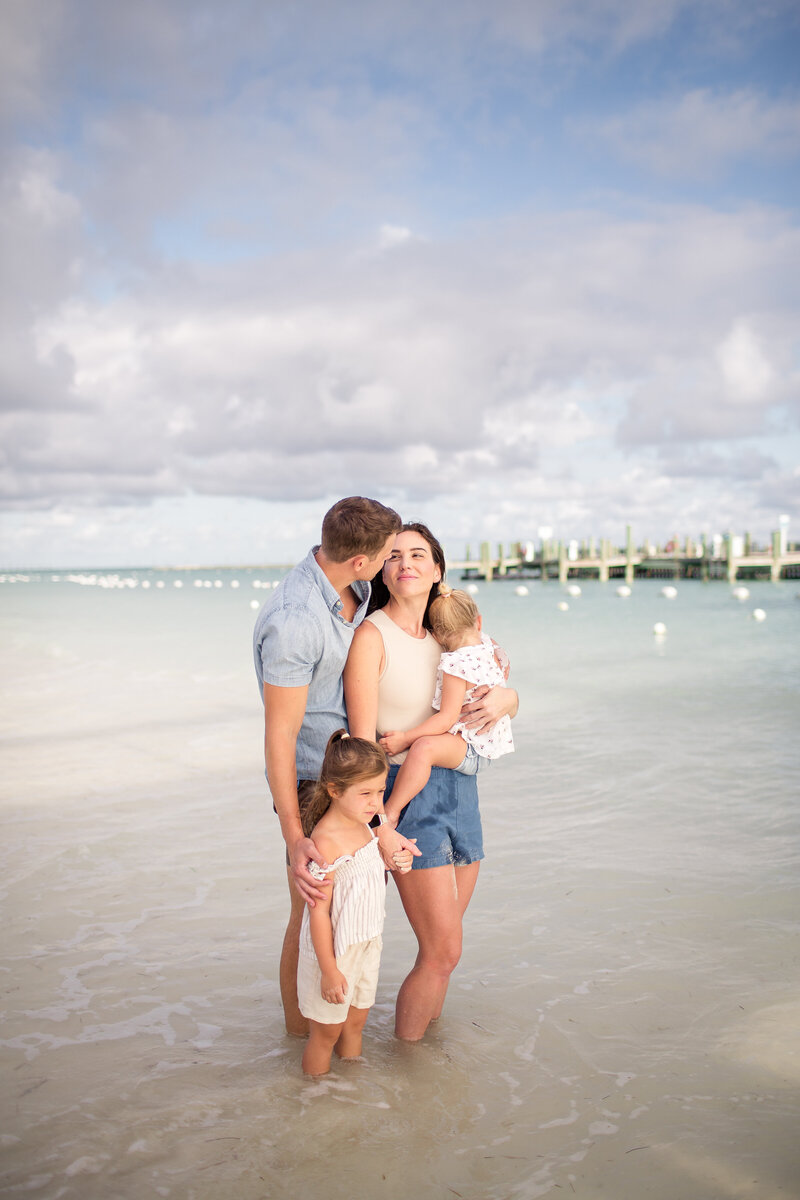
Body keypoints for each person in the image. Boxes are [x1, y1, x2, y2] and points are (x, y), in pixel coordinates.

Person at [344, 523, 518, 1041]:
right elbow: (361, 748)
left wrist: (511, 699)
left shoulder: (456, 636)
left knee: (443, 950)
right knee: (444, 950)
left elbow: (491, 696)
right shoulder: (372, 637)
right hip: (408, 794)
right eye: (393, 555)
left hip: (462, 790)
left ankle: (428, 1077)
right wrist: (380, 824)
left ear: (437, 569)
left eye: (418, 554)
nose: (406, 563)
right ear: (381, 569)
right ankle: (409, 1070)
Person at [253, 497, 419, 1036]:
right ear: (360, 560)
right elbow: (278, 734)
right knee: (309, 913)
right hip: (311, 780)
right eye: (386, 556)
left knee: (357, 903)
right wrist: (294, 833)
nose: (392, 566)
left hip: (359, 772)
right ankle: (298, 1044)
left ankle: (339, 1031)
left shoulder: (358, 587)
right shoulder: (295, 621)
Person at [298, 730, 397, 1076]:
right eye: (366, 793)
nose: (375, 802)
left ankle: (353, 1091)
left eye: (381, 791)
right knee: (326, 1035)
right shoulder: (324, 843)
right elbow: (319, 915)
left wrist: (396, 859)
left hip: (368, 942)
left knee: (356, 1025)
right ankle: (315, 1099)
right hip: (335, 953)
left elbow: (366, 877)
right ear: (335, 791)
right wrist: (329, 970)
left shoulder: (367, 825)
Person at [378, 584, 514, 823]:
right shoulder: (491, 648)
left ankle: (391, 810)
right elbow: (504, 674)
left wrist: (405, 738)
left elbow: (447, 718)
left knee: (423, 750)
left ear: (438, 637)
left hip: (471, 747)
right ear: (478, 622)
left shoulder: (456, 664)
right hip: (490, 743)